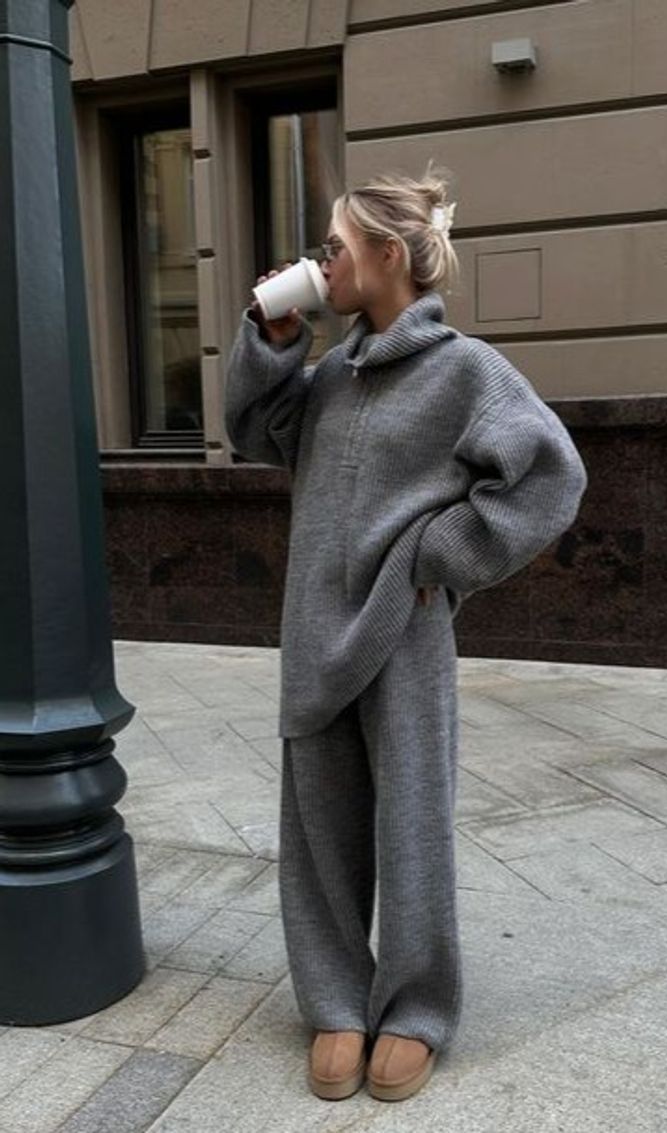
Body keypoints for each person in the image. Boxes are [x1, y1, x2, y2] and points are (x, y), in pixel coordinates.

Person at [224, 165, 588, 1103]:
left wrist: (441, 552)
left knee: (411, 827)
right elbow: (255, 431)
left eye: (336, 249)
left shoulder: (466, 372)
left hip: (404, 634)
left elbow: (550, 479)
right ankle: (336, 1001)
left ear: (388, 256)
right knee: (318, 828)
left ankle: (416, 1009)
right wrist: (272, 340)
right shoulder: (329, 379)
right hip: (314, 630)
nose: (324, 263)